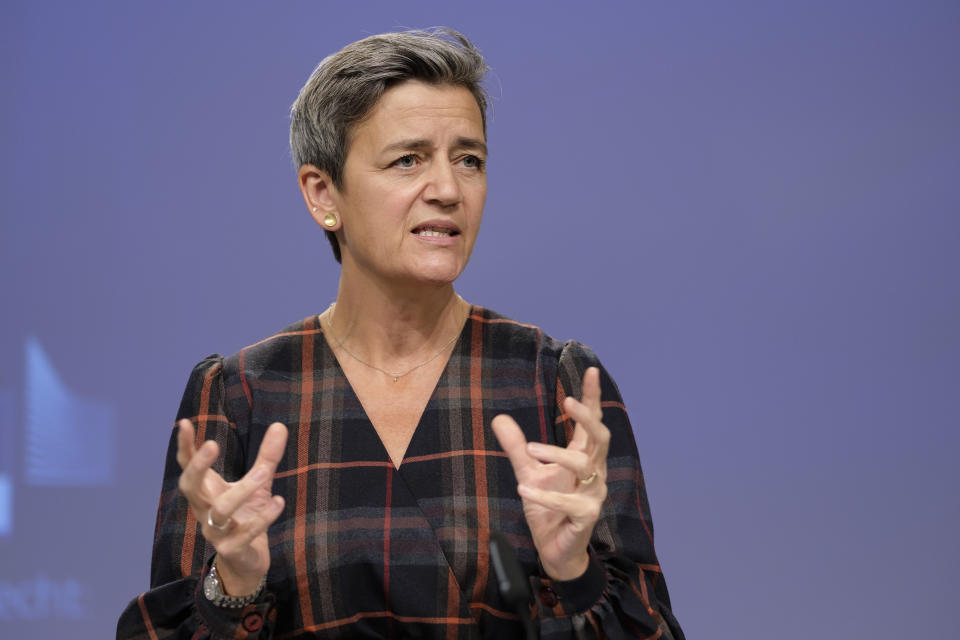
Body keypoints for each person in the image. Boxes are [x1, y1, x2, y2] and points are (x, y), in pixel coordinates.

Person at [118, 29, 684, 639]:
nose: (447, 189)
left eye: (469, 159)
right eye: (408, 160)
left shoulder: (554, 384)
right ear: (322, 193)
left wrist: (573, 571)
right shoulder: (240, 396)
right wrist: (236, 585)